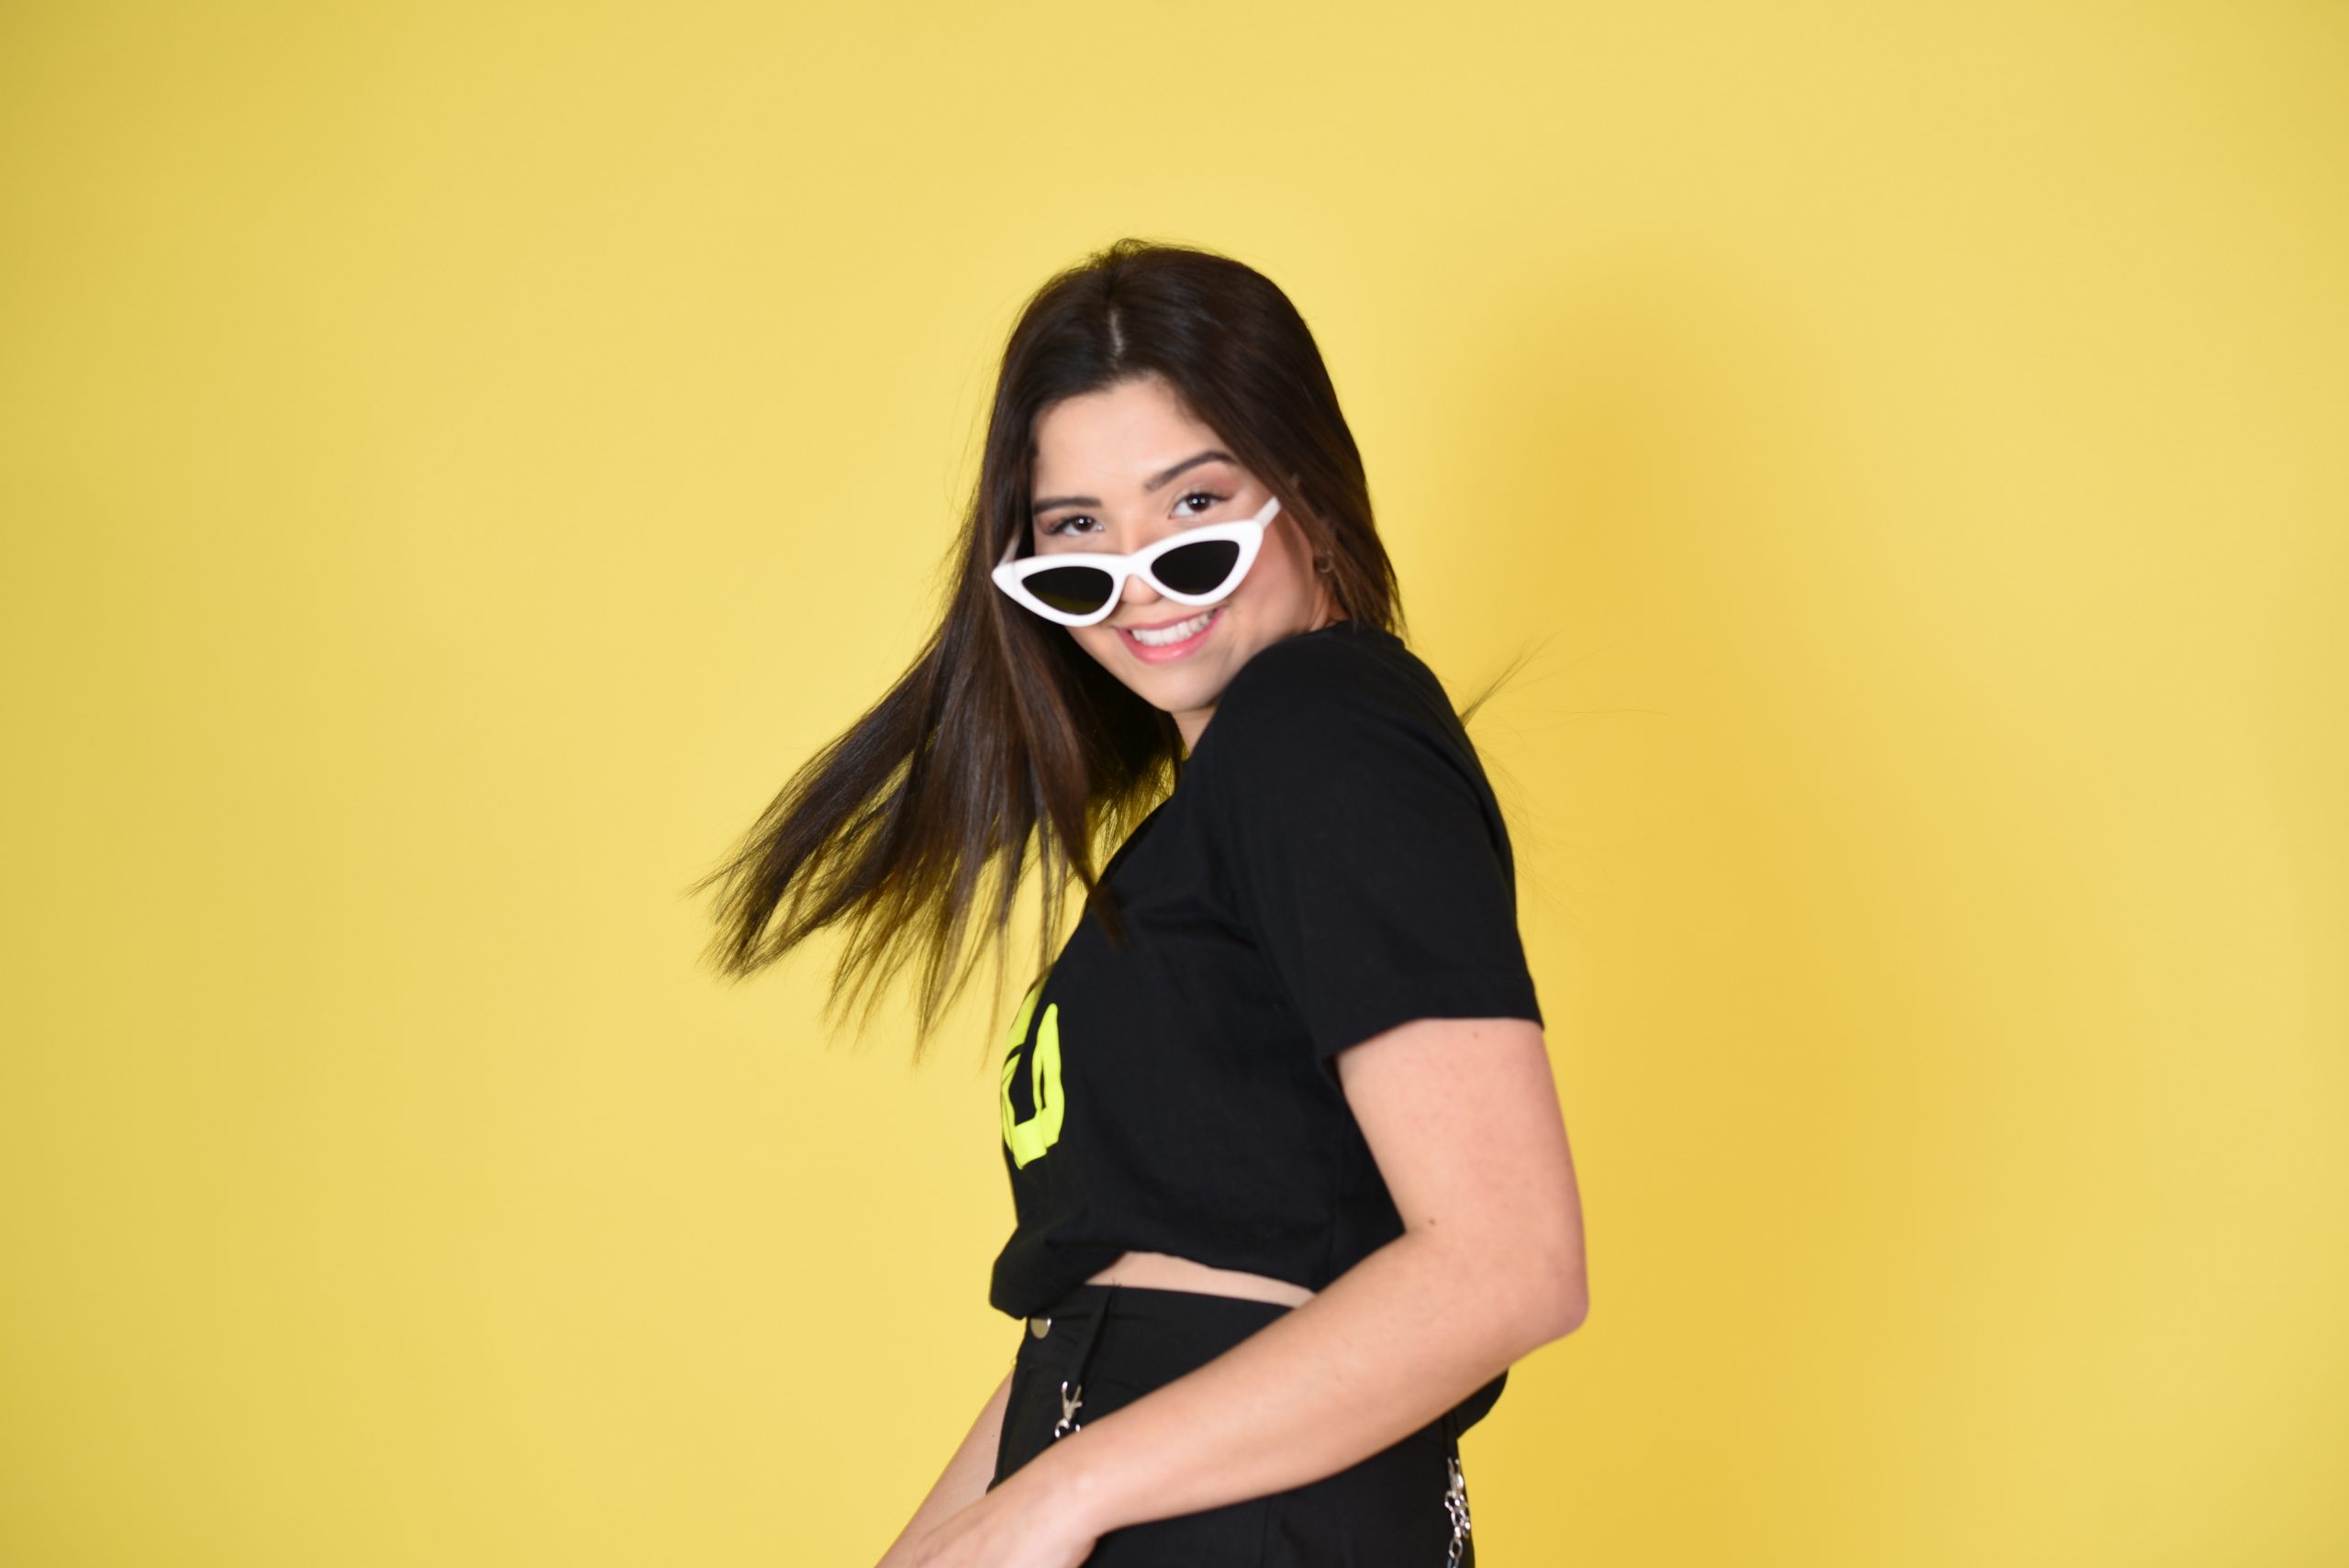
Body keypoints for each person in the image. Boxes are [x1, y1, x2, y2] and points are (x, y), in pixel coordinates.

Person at [693, 239, 1588, 1567]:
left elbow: (1509, 1262)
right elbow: (1104, 1310)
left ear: (1305, 491)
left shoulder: (1319, 727)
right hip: (1169, 1498)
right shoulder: (1214, 810)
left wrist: (1057, 1499)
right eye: (1076, 533)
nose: (1140, 579)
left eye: (1195, 504)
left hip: (1229, 1517)